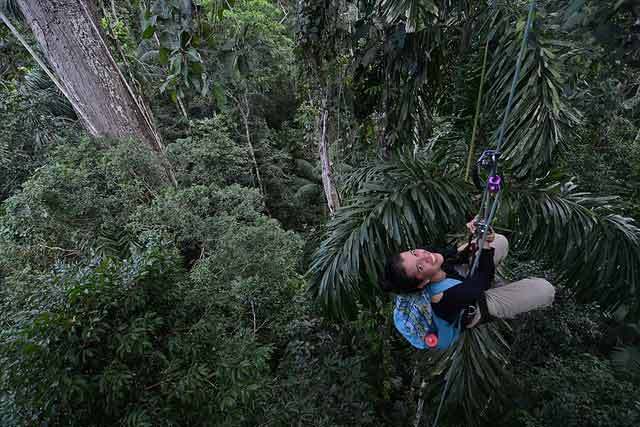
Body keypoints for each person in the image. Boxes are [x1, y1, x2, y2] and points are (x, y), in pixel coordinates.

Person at [380, 219, 555, 350]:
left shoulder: (431, 258)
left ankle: (494, 268)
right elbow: (480, 283)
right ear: (423, 282)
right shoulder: (441, 299)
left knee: (499, 241)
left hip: (459, 280)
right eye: (419, 266)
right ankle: (506, 292)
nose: (424, 255)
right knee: (545, 290)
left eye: (414, 252)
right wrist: (484, 245)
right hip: (473, 303)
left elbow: (454, 254)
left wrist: (477, 233)